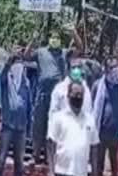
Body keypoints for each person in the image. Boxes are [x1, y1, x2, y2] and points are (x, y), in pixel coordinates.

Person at [26, 30, 82, 163]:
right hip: (42, 95)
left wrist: (74, 33)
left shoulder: (63, 53)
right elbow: (26, 56)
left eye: (57, 37)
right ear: (49, 39)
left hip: (58, 98)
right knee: (38, 125)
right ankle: (35, 155)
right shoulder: (41, 52)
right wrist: (32, 41)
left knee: (54, 127)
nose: (55, 39)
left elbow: (80, 48)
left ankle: (49, 157)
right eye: (53, 37)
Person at [0, 49, 31, 176]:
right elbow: (2, 75)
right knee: (1, 158)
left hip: (21, 127)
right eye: (17, 64)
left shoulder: (26, 82)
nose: (19, 67)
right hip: (8, 125)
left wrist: (29, 125)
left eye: (20, 64)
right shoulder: (6, 79)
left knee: (19, 162)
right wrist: (9, 62)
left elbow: (28, 104)